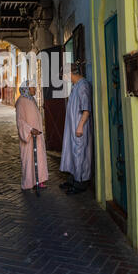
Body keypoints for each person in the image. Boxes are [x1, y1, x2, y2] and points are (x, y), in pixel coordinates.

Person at [59, 62, 93, 195]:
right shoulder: (75, 86)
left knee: (80, 154)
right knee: (73, 153)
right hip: (73, 128)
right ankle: (73, 179)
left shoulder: (83, 86)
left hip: (80, 129)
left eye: (64, 74)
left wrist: (80, 127)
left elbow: (86, 109)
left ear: (71, 73)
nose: (63, 77)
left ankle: (80, 183)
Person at [16, 80, 48, 191]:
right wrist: (30, 130)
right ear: (27, 89)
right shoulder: (21, 102)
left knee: (39, 158)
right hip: (29, 136)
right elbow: (20, 121)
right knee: (29, 159)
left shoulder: (32, 99)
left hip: (37, 135)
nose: (35, 89)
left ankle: (39, 180)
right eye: (33, 87)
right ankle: (29, 182)